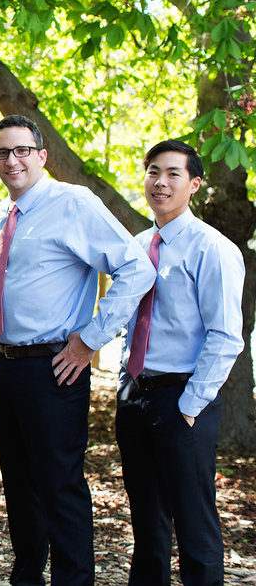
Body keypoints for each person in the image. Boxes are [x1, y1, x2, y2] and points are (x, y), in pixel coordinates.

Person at [0, 114, 154, 585]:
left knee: (60, 488)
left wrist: (89, 340)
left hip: (55, 368)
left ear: (42, 156)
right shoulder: (4, 212)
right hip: (8, 365)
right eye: (3, 152)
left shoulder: (72, 203)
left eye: (22, 150)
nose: (12, 159)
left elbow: (137, 270)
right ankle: (28, 578)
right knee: (19, 488)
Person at [115, 140, 243, 585]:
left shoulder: (213, 248)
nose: (161, 182)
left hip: (184, 397)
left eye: (173, 174)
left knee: (193, 522)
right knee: (147, 524)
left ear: (195, 184)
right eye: (153, 172)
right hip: (134, 395)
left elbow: (226, 335)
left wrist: (190, 405)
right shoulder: (134, 246)